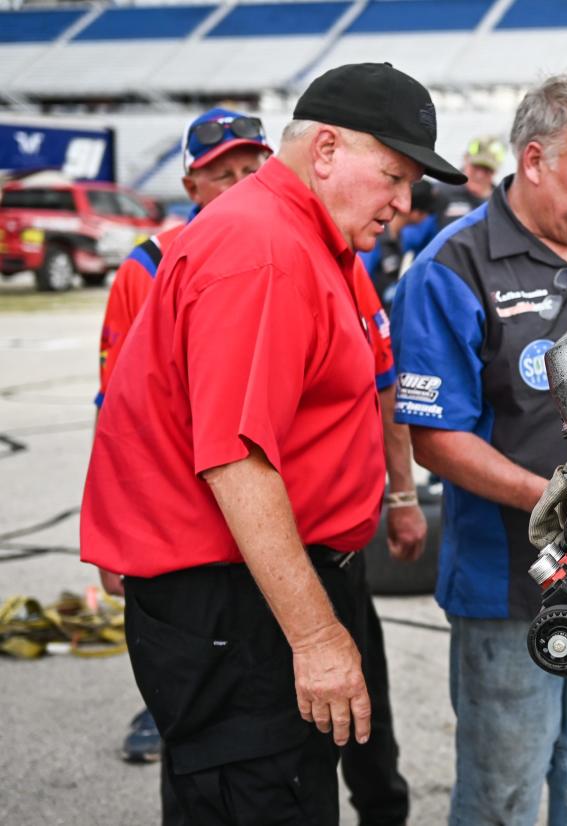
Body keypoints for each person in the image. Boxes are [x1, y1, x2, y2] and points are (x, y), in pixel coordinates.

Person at [80, 63, 463, 823]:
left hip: (261, 591)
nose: (403, 203)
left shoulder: (304, 235)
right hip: (232, 605)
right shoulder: (262, 249)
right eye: (392, 175)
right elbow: (235, 456)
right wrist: (317, 637)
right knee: (261, 797)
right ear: (325, 150)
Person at [390, 75, 567, 826]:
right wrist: (557, 501)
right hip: (508, 588)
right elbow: (437, 439)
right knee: (503, 794)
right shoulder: (454, 267)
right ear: (535, 158)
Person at [96, 107, 273, 769]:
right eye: (219, 174)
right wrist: (111, 529)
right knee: (190, 684)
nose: (239, 183)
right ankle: (160, 709)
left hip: (265, 508)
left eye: (251, 170)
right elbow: (113, 410)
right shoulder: (145, 269)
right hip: (179, 517)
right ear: (190, 187)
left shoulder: (290, 252)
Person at [359, 179, 438, 310]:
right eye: (427, 213)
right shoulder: (375, 239)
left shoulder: (402, 237)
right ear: (416, 213)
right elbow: (357, 281)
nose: (427, 219)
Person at [432, 133, 504, 231]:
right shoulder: (440, 192)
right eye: (475, 167)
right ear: (465, 161)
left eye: (486, 169)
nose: (480, 175)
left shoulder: (501, 203)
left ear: (495, 171)